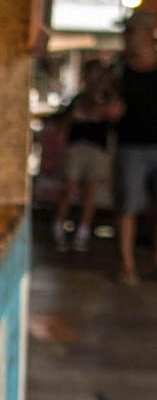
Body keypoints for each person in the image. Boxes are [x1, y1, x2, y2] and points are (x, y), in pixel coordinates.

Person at [110, 11, 157, 285]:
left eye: (132, 32)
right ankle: (127, 266)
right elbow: (105, 103)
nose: (128, 38)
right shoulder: (119, 70)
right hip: (130, 147)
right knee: (127, 206)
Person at [52, 60, 114, 253]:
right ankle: (58, 228)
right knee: (68, 190)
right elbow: (62, 124)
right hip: (76, 148)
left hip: (97, 150)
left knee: (89, 193)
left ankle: (82, 233)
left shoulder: (109, 100)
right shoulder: (77, 100)